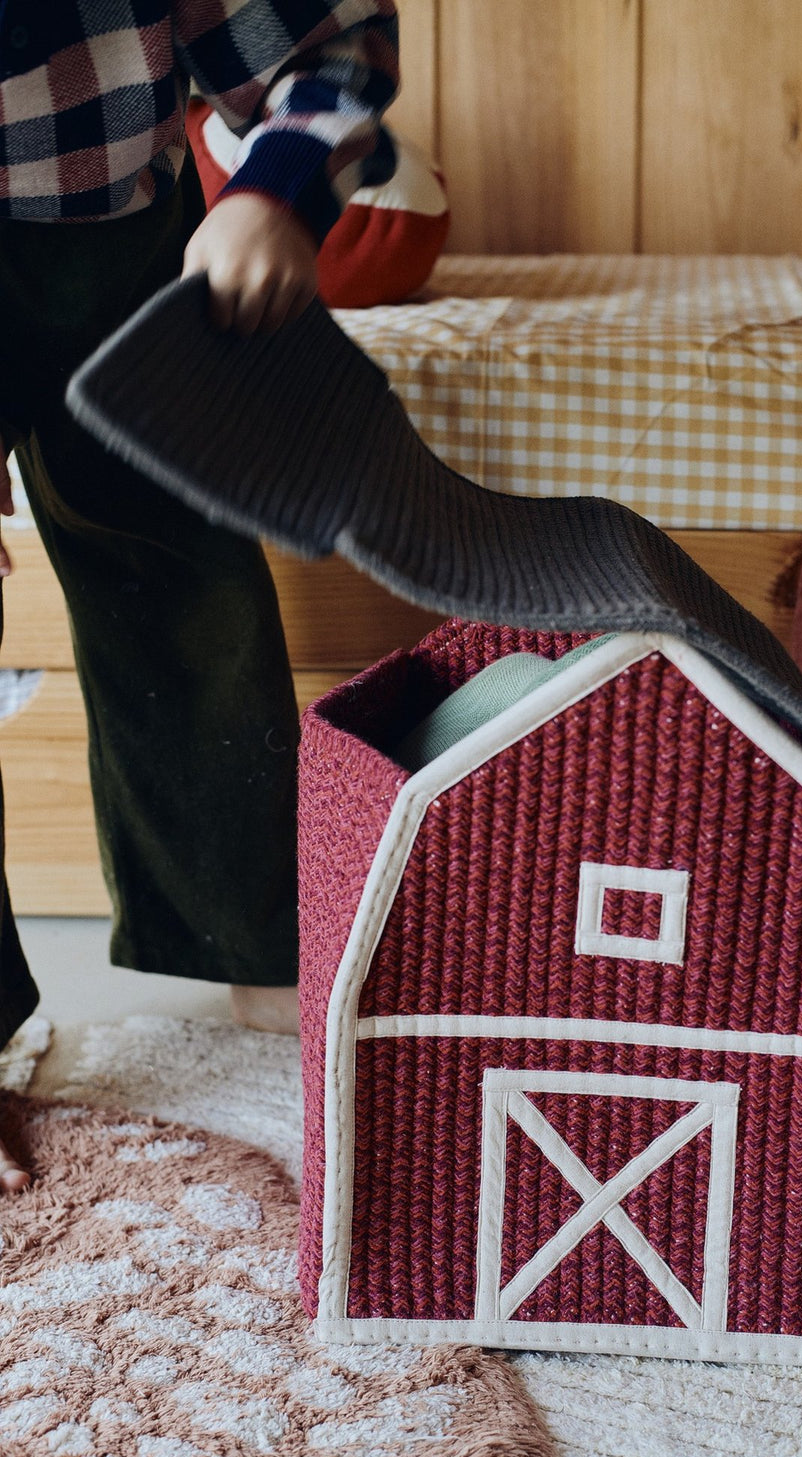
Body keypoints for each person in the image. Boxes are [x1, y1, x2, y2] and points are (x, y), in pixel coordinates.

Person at [0, 1, 400, 1190]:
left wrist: (272, 189)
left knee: (192, 602)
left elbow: (332, 46)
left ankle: (266, 966)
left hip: (111, 243)